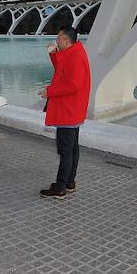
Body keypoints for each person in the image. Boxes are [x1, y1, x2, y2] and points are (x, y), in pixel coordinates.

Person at [38, 26, 91, 200]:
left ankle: (60, 188)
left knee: (65, 151)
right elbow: (63, 70)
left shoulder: (76, 56)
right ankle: (69, 182)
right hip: (73, 110)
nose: (56, 41)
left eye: (58, 38)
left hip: (68, 110)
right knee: (72, 148)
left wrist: (49, 92)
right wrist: (53, 53)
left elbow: (73, 85)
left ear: (66, 40)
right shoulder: (74, 52)